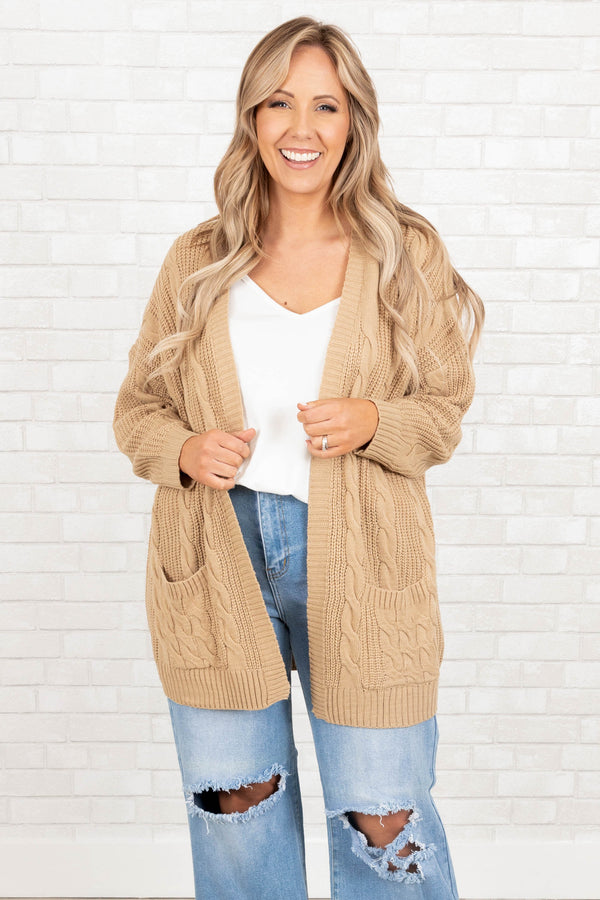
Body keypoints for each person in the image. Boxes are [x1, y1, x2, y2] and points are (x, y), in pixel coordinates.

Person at [112, 16, 484, 900]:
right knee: (234, 805)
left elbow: (442, 414)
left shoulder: (404, 253)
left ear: (355, 121)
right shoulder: (198, 258)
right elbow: (137, 411)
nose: (302, 127)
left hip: (365, 558)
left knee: (382, 814)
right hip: (216, 556)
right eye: (279, 103)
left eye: (326, 105)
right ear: (252, 118)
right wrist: (185, 449)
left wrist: (372, 421)